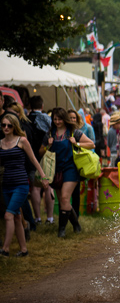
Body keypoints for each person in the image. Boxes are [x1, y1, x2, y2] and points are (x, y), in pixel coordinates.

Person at [40, 107, 95, 238]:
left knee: (64, 198)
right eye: (55, 119)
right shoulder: (49, 133)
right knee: (63, 201)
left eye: (60, 119)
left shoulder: (73, 132)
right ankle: (76, 225)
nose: (58, 121)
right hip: (56, 169)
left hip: (70, 168)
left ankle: (61, 230)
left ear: (64, 119)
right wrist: (47, 145)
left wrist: (77, 143)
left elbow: (92, 144)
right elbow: (40, 152)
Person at [0, 113, 50, 257]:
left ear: (14, 126)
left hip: (21, 184)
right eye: (3, 125)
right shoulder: (1, 143)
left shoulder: (22, 141)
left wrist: (43, 176)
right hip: (6, 184)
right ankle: (24, 250)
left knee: (8, 215)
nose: (6, 128)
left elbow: (34, 159)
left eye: (9, 125)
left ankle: (5, 249)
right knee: (16, 217)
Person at [27, 96, 54, 224]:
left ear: (29, 106)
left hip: (30, 156)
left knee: (35, 188)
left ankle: (37, 218)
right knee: (48, 186)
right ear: (42, 106)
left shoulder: (25, 119)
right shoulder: (46, 119)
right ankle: (49, 217)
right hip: (46, 156)